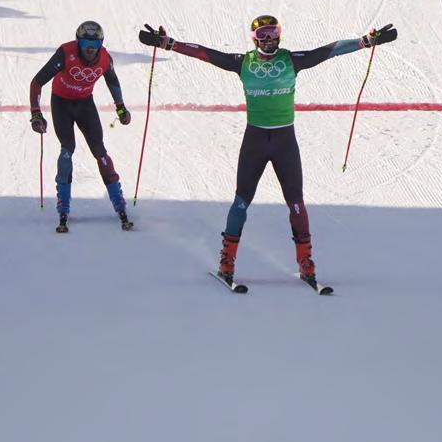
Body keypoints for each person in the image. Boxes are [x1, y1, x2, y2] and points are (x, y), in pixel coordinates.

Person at [138, 16, 397, 285]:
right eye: (263, 34)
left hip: (285, 141)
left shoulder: (291, 60)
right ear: (254, 39)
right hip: (256, 141)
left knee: (296, 202)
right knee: (241, 201)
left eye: (273, 32)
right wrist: (168, 44)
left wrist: (366, 41)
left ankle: (305, 262)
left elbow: (329, 50)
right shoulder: (243, 63)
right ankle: (227, 260)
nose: (269, 39)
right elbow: (205, 53)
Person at [29, 20, 133, 232]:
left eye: (95, 44)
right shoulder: (65, 53)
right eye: (85, 43)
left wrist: (121, 107)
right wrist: (36, 113)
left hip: (85, 104)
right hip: (61, 104)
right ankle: (63, 205)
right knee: (67, 150)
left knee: (100, 151)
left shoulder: (105, 59)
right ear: (78, 42)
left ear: (101, 44)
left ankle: (119, 203)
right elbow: (37, 82)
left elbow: (112, 81)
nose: (90, 48)